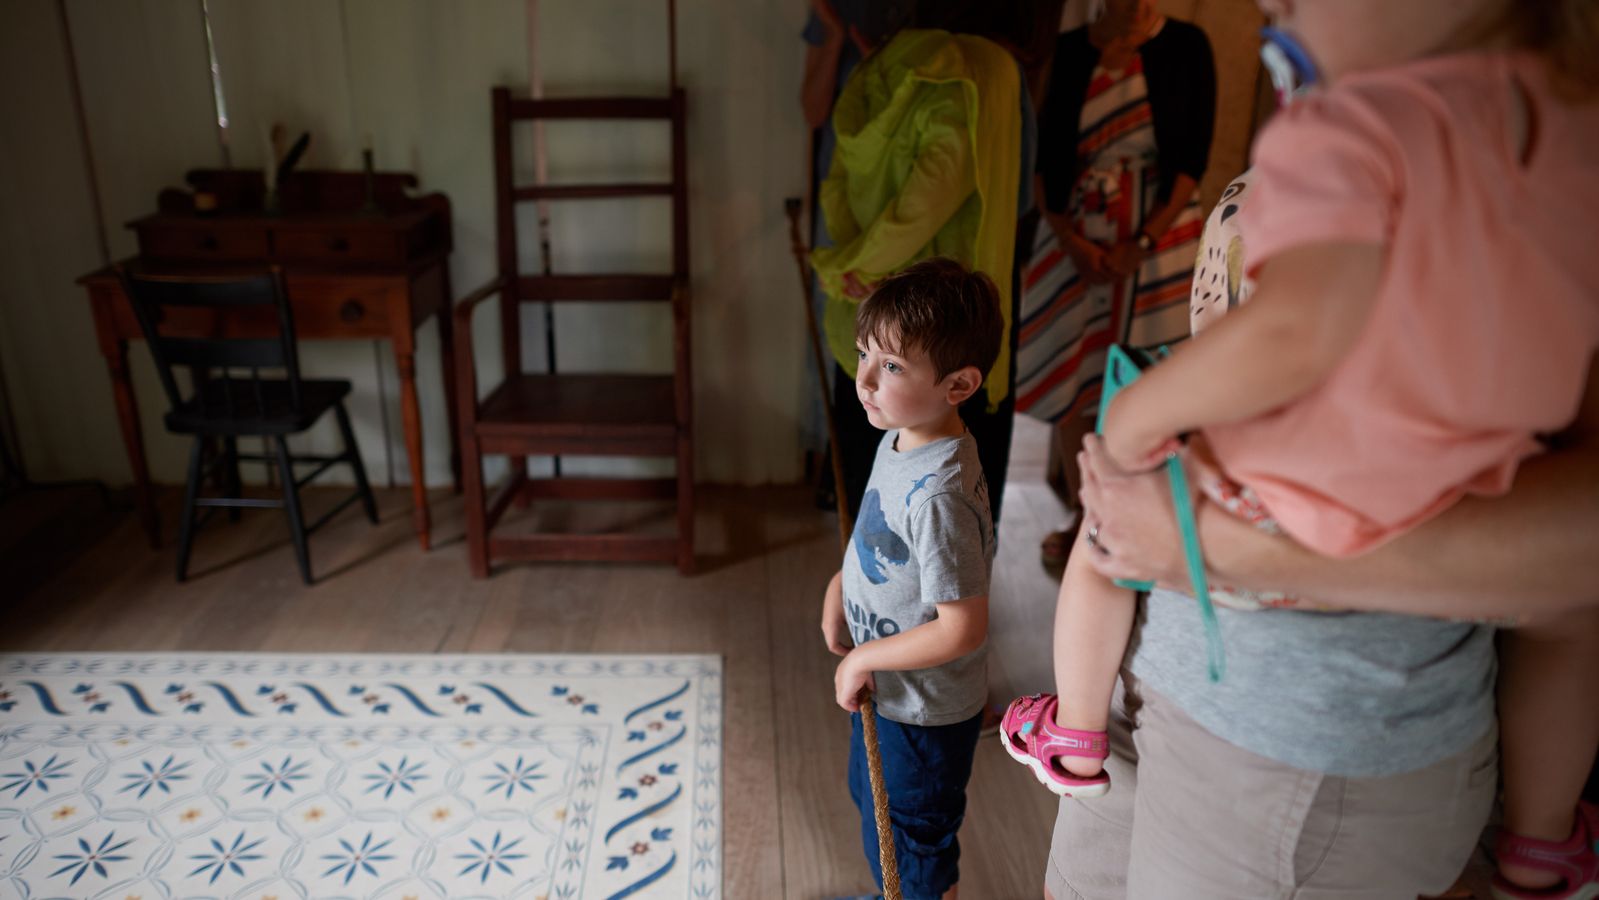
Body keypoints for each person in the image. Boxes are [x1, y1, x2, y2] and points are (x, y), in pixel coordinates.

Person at [1027, 0, 1599, 894]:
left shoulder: (1349, 124)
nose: (1271, 8)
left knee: (1108, 536)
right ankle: (1543, 835)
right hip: (1459, 526)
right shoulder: (1569, 131)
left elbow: (1297, 330)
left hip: (1275, 725)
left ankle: (1074, 725)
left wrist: (1134, 421)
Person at [820, 259, 1003, 900]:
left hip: (922, 711)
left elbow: (963, 626)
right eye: (865, 354)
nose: (865, 379)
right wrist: (842, 585)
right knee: (875, 809)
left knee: (912, 847)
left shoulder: (941, 497)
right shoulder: (904, 433)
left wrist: (866, 654)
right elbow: (882, 532)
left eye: (892, 367)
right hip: (889, 688)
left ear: (957, 385)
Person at [810, 3, 1029, 527]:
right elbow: (941, 188)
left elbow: (837, 179)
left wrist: (851, 263)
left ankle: (868, 590)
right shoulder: (989, 67)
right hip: (948, 308)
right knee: (946, 485)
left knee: (872, 469)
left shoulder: (878, 64)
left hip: (864, 291)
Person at [1018, 0, 1214, 570]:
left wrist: (1143, 242)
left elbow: (1191, 160)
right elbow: (1045, 151)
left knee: (1148, 369)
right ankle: (1086, 511)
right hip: (1075, 228)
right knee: (1071, 372)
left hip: (1159, 233)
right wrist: (1069, 237)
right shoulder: (1072, 48)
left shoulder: (1187, 46)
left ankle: (1135, 516)